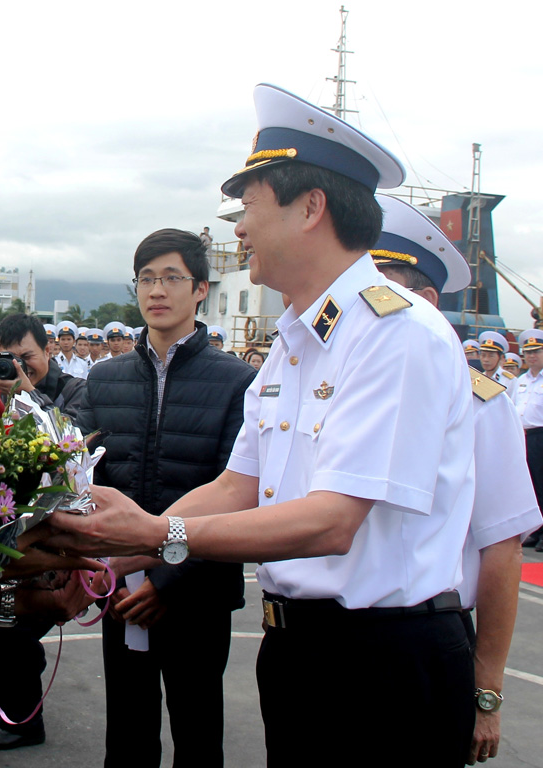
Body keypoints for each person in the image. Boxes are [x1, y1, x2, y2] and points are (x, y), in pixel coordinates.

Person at [47, 84, 477, 767]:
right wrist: (102, 558)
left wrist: (160, 532)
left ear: (311, 207)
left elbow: (333, 520)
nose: (238, 229)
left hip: (383, 660)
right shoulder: (293, 343)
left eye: (247, 207)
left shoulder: (395, 333)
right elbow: (236, 486)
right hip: (299, 651)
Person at [371, 194, 542, 764]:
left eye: (376, 288)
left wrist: (487, 692)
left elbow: (501, 544)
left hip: (423, 641)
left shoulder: (480, 401)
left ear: (423, 301)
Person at [79, 228, 255, 767]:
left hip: (196, 592)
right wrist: (104, 569)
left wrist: (166, 578)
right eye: (147, 279)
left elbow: (237, 495)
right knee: (127, 732)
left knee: (198, 729)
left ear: (200, 289)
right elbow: (83, 482)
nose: (157, 290)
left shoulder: (238, 381)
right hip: (121, 590)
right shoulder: (103, 380)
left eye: (172, 278)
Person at [0, 312, 89, 751]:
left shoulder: (73, 388)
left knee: (11, 625)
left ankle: (22, 720)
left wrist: (27, 394)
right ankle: (9, 696)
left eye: (27, 357)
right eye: (6, 358)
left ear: (48, 351)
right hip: (1, 527)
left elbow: (71, 442)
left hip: (51, 530)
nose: (16, 367)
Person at [516, 329, 543, 551]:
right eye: (528, 352)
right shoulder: (521, 381)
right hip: (524, 436)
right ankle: (536, 530)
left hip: (541, 436)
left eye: (536, 351)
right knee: (531, 485)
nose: (532, 356)